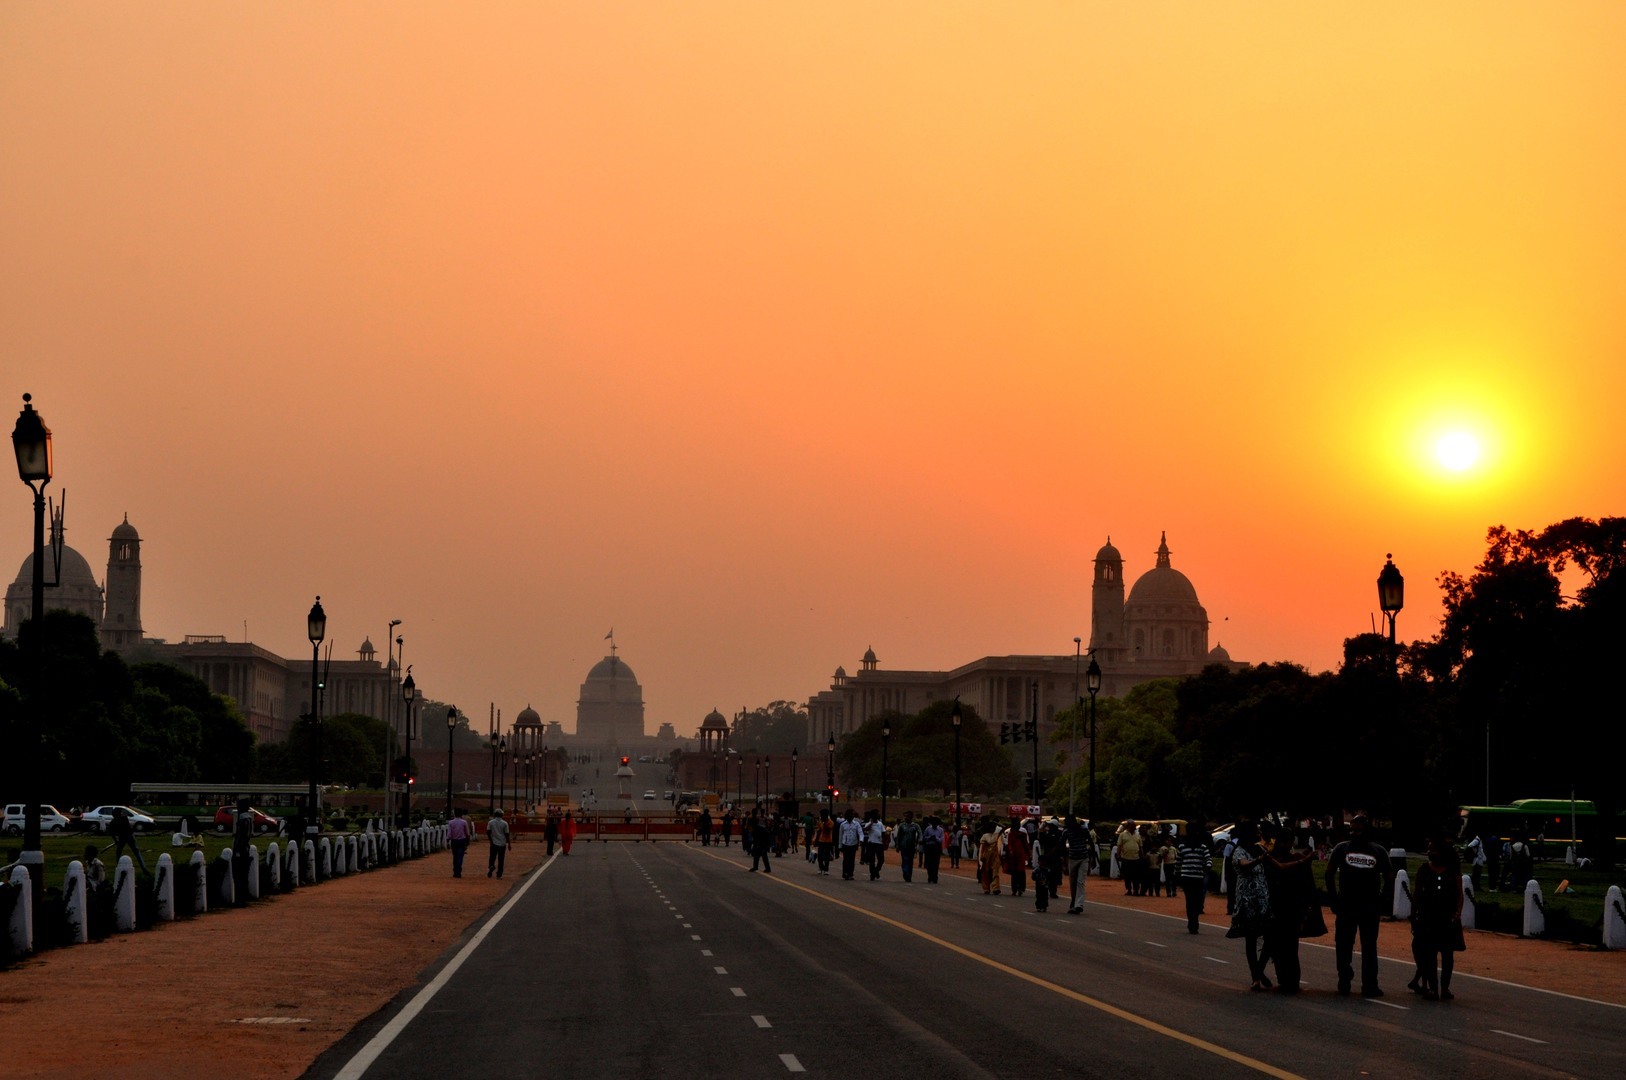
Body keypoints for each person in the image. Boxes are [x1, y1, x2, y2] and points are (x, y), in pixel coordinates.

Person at [1325, 814, 1392, 998]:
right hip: (1346, 906)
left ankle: (1370, 985)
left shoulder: (1378, 852)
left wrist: (1382, 901)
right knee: (1343, 944)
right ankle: (1344, 977)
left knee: (1369, 946)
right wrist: (1334, 899)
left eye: (1358, 830)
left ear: (1367, 831)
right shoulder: (1341, 849)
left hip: (1370, 908)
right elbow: (1329, 874)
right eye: (1352, 830)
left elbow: (1389, 877)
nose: (1354, 833)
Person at [1410, 834, 1465, 1001]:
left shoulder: (1453, 871)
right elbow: (1417, 895)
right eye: (1429, 849)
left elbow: (1459, 895)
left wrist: (1457, 914)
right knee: (1430, 955)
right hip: (1428, 918)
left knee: (1448, 956)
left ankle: (1445, 988)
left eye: (1432, 849)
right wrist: (1414, 917)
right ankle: (1433, 988)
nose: (1429, 852)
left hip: (1448, 919)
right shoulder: (1424, 870)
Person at [1263, 822, 1316, 995]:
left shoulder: (1288, 858)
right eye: (1285, 842)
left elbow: (1306, 885)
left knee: (1289, 947)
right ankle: (1285, 980)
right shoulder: (1273, 859)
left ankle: (1289, 981)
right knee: (1282, 946)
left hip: (1291, 907)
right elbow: (1281, 871)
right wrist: (1305, 860)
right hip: (1278, 906)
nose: (1287, 845)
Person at [1227, 821, 1273, 990]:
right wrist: (1259, 860)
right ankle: (1255, 976)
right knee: (1251, 938)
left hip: (1263, 899)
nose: (1259, 833)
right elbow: (1244, 864)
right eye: (1256, 830)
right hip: (1247, 900)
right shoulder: (1239, 851)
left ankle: (1258, 970)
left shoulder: (1260, 849)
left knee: (1269, 937)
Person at [1176, 820, 1212, 934]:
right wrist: (1207, 867)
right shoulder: (1200, 846)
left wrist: (1177, 874)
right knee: (1194, 901)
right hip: (1194, 877)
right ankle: (1193, 922)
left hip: (1189, 877)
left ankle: (1192, 921)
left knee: (1191, 901)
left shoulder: (1188, 846)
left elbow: (1178, 862)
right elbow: (1208, 860)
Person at [1062, 815, 1093, 914]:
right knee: (1073, 883)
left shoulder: (1083, 830)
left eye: (1067, 822)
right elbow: (1061, 846)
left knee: (1080, 882)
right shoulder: (1066, 832)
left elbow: (1091, 842)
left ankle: (1079, 905)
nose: (1065, 824)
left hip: (1083, 858)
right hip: (1072, 859)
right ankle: (1074, 902)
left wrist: (1093, 858)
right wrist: (1065, 861)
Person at [109, 807, 149, 876]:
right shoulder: (124, 819)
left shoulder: (113, 822)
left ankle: (119, 867)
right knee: (136, 852)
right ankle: (144, 868)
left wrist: (116, 840)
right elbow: (129, 829)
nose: (122, 813)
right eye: (121, 812)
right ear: (118, 813)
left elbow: (111, 833)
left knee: (118, 852)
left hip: (122, 838)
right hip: (129, 837)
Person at [1005, 817, 1031, 897]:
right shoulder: (1011, 834)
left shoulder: (1022, 834)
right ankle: (1016, 889)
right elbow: (1009, 845)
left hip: (1020, 856)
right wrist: (1011, 851)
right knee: (1016, 873)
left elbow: (1026, 844)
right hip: (1014, 856)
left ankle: (1019, 889)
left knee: (1020, 873)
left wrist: (1028, 854)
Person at [893, 811, 922, 884]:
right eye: (905, 816)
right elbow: (899, 836)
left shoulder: (915, 826)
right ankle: (905, 873)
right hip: (903, 846)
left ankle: (909, 875)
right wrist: (897, 845)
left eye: (907, 816)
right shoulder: (902, 825)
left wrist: (919, 841)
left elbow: (920, 834)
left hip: (912, 846)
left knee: (910, 862)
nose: (906, 818)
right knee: (905, 860)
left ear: (911, 817)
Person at [976, 817, 1003, 895]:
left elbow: (1000, 846)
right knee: (985, 872)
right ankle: (986, 888)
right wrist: (981, 858)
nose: (992, 829)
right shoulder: (985, 836)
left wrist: (997, 823)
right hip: (986, 856)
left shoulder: (998, 835)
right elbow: (982, 848)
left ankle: (996, 888)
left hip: (995, 856)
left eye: (993, 827)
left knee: (995, 872)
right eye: (991, 827)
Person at [1115, 821, 1141, 896]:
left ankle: (1136, 890)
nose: (1134, 828)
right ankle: (1129, 889)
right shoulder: (1122, 835)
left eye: (1134, 826)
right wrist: (1118, 854)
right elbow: (1119, 846)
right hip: (1126, 858)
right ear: (1128, 827)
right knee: (1127, 875)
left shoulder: (1137, 835)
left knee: (1136, 875)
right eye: (1132, 826)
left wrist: (1141, 856)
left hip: (1136, 858)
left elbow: (1140, 846)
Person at [837, 809, 863, 880]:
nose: (851, 816)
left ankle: (851, 874)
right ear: (847, 816)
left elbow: (860, 832)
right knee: (846, 859)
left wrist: (861, 840)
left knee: (852, 860)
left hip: (853, 844)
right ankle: (845, 872)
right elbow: (840, 835)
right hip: (845, 844)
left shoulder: (856, 824)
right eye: (850, 815)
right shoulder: (842, 825)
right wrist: (840, 846)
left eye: (852, 815)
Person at [862, 810, 887, 880]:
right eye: (877, 814)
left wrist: (884, 842)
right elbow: (865, 830)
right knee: (872, 860)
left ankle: (876, 871)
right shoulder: (869, 823)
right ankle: (872, 874)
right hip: (871, 843)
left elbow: (883, 833)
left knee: (881, 860)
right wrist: (871, 824)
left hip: (879, 844)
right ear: (873, 816)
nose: (879, 816)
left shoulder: (880, 824)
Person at [486, 808, 511, 879]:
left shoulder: (490, 822)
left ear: (495, 814)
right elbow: (507, 834)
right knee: (501, 859)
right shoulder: (504, 823)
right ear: (502, 815)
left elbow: (488, 832)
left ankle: (491, 865)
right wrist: (509, 843)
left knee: (492, 856)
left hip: (493, 843)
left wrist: (491, 840)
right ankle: (499, 875)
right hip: (502, 843)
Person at [447, 808, 472, 877]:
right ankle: (459, 870)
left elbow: (449, 834)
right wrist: (468, 841)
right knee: (460, 856)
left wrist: (447, 841)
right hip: (462, 841)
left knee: (455, 856)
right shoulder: (464, 822)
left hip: (454, 841)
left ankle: (455, 871)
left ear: (454, 814)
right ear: (461, 814)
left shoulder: (451, 822)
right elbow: (467, 833)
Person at [921, 815, 945, 884]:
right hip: (929, 846)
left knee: (936, 863)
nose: (934, 824)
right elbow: (924, 837)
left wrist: (936, 838)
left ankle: (935, 877)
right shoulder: (928, 829)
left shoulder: (940, 830)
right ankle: (930, 876)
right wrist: (930, 838)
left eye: (936, 823)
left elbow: (941, 839)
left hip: (936, 847)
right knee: (929, 863)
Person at [814, 810, 836, 875]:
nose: (821, 817)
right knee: (820, 855)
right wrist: (816, 840)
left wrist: (824, 823)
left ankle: (826, 869)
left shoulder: (830, 822)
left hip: (828, 841)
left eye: (823, 815)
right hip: (821, 840)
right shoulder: (820, 822)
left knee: (827, 856)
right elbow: (819, 831)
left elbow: (827, 831)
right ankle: (820, 868)